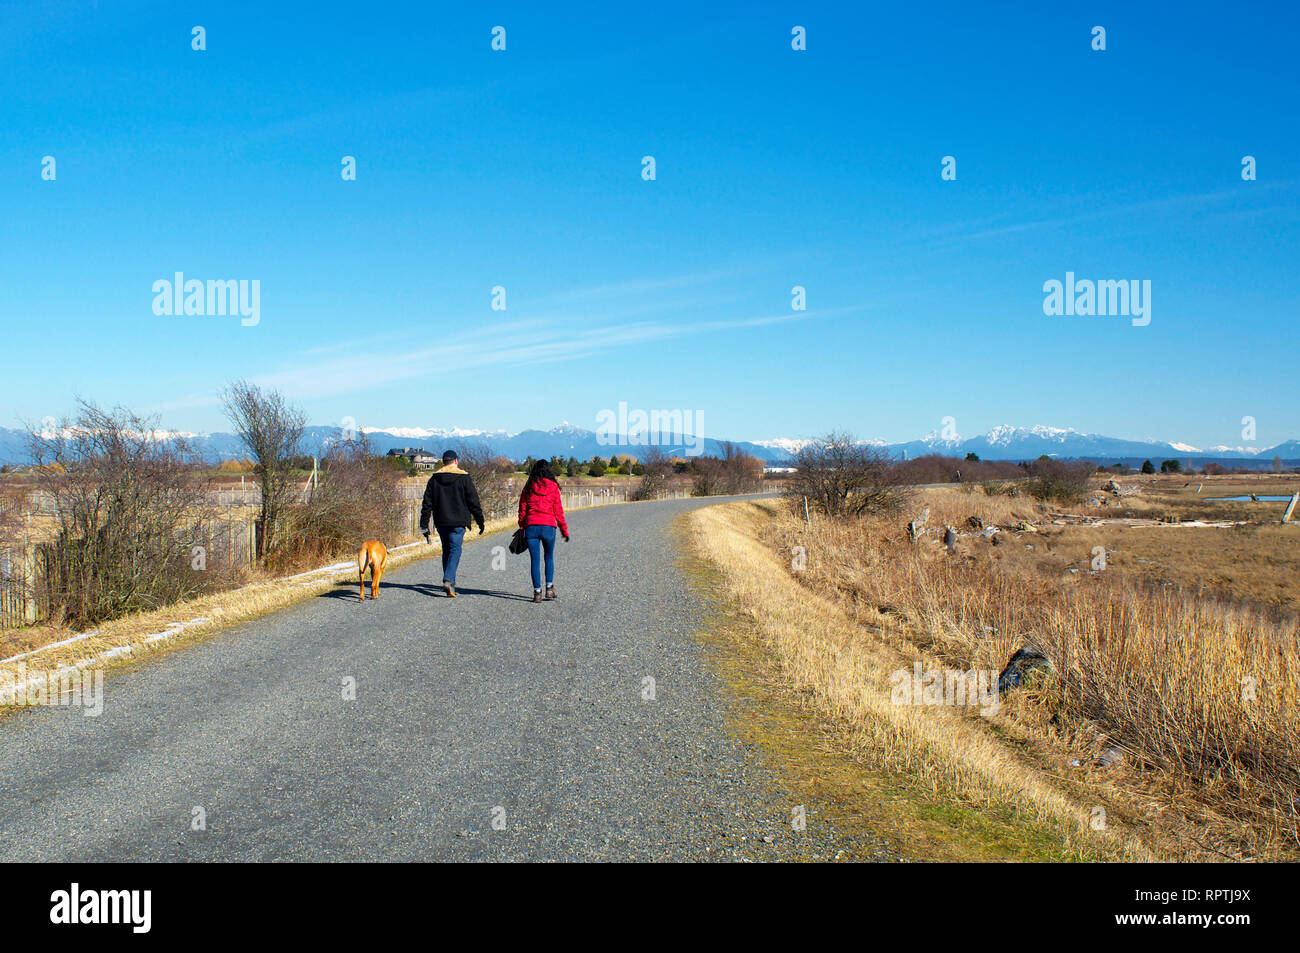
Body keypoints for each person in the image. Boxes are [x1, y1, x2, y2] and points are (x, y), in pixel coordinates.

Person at [418, 450, 485, 598]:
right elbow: (473, 502)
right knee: (456, 550)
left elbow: (426, 504)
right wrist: (480, 521)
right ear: (456, 461)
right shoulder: (464, 478)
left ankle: (451, 585)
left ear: (443, 462)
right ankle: (448, 579)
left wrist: (424, 525)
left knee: (447, 550)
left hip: (441, 521)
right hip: (458, 521)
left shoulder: (434, 479)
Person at [517, 460, 569, 603]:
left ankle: (537, 592)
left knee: (534, 560)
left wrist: (522, 524)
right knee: (549, 557)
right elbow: (558, 511)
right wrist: (563, 529)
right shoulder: (553, 487)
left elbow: (522, 507)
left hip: (531, 526)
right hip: (548, 527)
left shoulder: (529, 486)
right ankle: (549, 589)